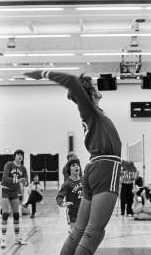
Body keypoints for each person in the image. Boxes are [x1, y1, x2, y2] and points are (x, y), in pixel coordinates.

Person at [24, 70, 122, 255]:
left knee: (79, 231)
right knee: (94, 233)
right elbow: (70, 80)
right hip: (106, 167)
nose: (96, 86)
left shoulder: (95, 112)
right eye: (92, 85)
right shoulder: (90, 110)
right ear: (89, 93)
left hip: (94, 168)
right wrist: (42, 73)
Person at [0, 149, 28, 248]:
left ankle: (17, 238)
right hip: (5, 190)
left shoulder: (23, 168)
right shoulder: (9, 164)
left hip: (14, 192)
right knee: (5, 214)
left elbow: (26, 181)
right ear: (15, 156)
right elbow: (4, 178)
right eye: (18, 154)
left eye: (21, 155)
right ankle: (3, 239)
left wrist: (25, 182)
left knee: (16, 215)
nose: (20, 156)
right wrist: (18, 180)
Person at [56, 156, 82, 232]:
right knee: (75, 235)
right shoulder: (67, 183)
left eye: (77, 165)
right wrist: (63, 203)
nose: (76, 166)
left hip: (84, 211)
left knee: (84, 235)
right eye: (73, 166)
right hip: (72, 212)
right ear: (69, 169)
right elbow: (59, 197)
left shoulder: (84, 181)